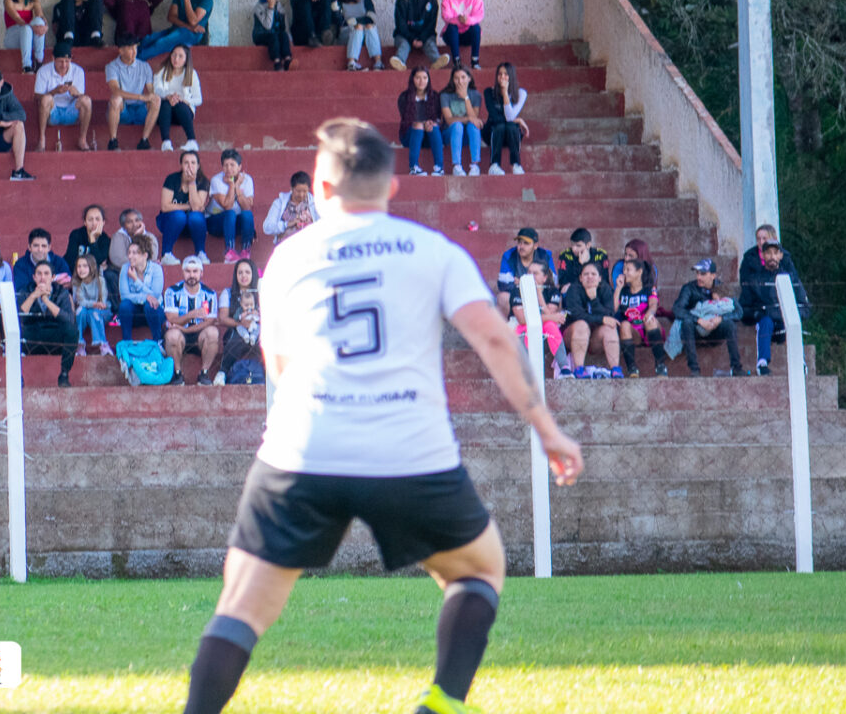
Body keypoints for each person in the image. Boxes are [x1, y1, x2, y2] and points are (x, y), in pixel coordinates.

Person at [175, 117, 583, 714]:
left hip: (303, 451)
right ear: (391, 190)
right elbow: (495, 341)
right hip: (410, 453)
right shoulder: (432, 251)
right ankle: (442, 702)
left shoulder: (285, 259)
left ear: (318, 190)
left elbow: (279, 366)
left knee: (240, 607)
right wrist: (546, 429)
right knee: (480, 569)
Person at [739, 237, 810, 376]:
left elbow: (805, 306)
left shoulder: (791, 278)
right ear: (763, 255)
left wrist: (795, 314)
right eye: (768, 253)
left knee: (793, 323)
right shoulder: (755, 279)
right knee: (765, 322)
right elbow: (744, 307)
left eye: (775, 253)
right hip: (766, 322)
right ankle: (763, 363)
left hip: (785, 321)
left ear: (781, 255)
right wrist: (757, 314)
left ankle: (800, 363)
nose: (772, 256)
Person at [672, 258, 747, 378]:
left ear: (713, 275)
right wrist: (699, 320)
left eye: (703, 274)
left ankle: (736, 368)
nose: (699, 277)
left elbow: (739, 312)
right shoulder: (689, 288)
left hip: (716, 329)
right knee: (686, 322)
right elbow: (677, 309)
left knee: (730, 325)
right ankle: (694, 370)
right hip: (696, 329)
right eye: (697, 273)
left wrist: (721, 319)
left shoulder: (722, 288)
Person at [17, 258, 79, 387]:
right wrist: (34, 296)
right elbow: (19, 318)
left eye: (46, 274)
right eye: (39, 274)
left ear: (53, 277)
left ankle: (64, 374)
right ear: (34, 277)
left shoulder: (61, 292)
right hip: (32, 335)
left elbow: (68, 319)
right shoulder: (26, 290)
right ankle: (18, 378)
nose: (42, 277)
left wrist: (46, 301)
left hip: (54, 335)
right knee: (14, 333)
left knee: (72, 331)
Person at [614, 239, 671, 376]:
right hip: (634, 331)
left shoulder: (648, 289)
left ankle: (660, 365)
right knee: (625, 325)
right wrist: (618, 288)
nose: (624, 273)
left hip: (649, 328)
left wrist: (650, 313)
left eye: (628, 270)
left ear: (639, 272)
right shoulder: (623, 291)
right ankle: (632, 368)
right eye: (624, 270)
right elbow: (614, 309)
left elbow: (653, 304)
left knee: (650, 321)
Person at [163, 256, 222, 385]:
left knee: (213, 333)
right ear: (182, 273)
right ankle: (177, 374)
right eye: (188, 271)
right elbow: (172, 318)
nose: (191, 275)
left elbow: (209, 321)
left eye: (195, 271)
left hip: (198, 334)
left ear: (201, 273)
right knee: (172, 335)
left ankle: (204, 373)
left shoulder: (210, 294)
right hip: (179, 335)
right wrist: (192, 314)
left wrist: (185, 328)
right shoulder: (172, 292)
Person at [139, 0, 213, 62]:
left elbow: (193, 21)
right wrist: (187, 26)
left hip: (192, 34)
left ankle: (133, 61)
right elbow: (171, 17)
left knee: (161, 43)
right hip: (176, 29)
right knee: (147, 40)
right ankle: (127, 58)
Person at [561, 260, 622, 376]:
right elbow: (576, 315)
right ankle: (579, 369)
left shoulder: (605, 289)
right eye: (586, 274)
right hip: (573, 337)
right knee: (581, 325)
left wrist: (594, 300)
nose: (590, 277)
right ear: (580, 278)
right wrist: (601, 319)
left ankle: (615, 369)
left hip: (595, 340)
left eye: (593, 274)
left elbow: (609, 315)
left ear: (599, 278)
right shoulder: (573, 290)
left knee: (610, 327)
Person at [157, 148, 212, 265]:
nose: (189, 166)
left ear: (198, 166)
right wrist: (188, 206)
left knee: (196, 216)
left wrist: (192, 183)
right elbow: (165, 207)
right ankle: (166, 254)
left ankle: (200, 253)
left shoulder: (203, 181)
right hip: (170, 222)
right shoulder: (172, 179)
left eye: (193, 163)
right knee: (179, 215)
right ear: (181, 165)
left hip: (193, 225)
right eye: (186, 163)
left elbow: (197, 208)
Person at [103, 37, 160, 150]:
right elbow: (115, 90)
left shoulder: (144, 66)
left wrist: (151, 96)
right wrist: (140, 96)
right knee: (116, 99)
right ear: (121, 51)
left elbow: (151, 89)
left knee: (156, 99)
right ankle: (113, 141)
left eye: (135, 48)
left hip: (140, 110)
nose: (134, 52)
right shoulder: (112, 66)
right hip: (124, 109)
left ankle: (144, 140)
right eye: (130, 49)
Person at [34, 48, 93, 150]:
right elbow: (37, 96)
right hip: (53, 112)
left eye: (67, 61)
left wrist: (76, 93)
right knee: (46, 99)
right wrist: (54, 91)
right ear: (53, 59)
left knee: (86, 100)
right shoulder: (43, 71)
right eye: (61, 61)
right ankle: (42, 139)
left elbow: (82, 97)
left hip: (71, 111)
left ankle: (82, 139)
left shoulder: (78, 71)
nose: (64, 65)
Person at [216, 259, 264, 385]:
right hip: (237, 330)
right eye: (240, 272)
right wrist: (240, 324)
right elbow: (223, 318)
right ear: (235, 275)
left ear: (253, 274)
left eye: (247, 272)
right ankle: (222, 372)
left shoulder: (260, 292)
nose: (244, 276)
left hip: (257, 329)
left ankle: (269, 374)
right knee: (235, 337)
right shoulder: (228, 293)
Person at [390, 0, 447, 72]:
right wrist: (412, 39)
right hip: (405, 35)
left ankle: (437, 61)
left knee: (430, 44)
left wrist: (422, 39)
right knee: (404, 45)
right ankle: (399, 61)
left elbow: (431, 23)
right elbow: (400, 23)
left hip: (425, 35)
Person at [152, 45, 203, 151]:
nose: (176, 59)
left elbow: (199, 99)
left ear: (186, 59)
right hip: (164, 115)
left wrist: (183, 100)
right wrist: (168, 96)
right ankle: (166, 142)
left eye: (180, 56)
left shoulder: (191, 74)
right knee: (166, 104)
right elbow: (157, 89)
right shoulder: (162, 71)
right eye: (174, 55)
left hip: (183, 113)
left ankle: (192, 141)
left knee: (180, 105)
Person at [398, 66, 447, 177]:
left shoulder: (434, 96)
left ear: (428, 79)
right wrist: (423, 123)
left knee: (433, 125)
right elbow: (406, 121)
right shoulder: (404, 97)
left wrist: (431, 123)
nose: (421, 81)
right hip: (410, 136)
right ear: (412, 79)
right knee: (418, 125)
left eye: (425, 78)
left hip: (430, 136)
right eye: (418, 78)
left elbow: (439, 119)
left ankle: (439, 167)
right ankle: (413, 167)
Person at [494, 228, 556, 315]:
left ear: (535, 245)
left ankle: (549, 325)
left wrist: (522, 282)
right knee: (502, 297)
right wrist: (532, 283)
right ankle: (506, 327)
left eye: (526, 243)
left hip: (541, 294)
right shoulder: (508, 255)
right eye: (519, 242)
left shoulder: (545, 255)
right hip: (517, 296)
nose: (521, 246)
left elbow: (553, 282)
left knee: (556, 298)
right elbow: (503, 284)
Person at [116, 234, 165, 342]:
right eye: (129, 252)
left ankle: (158, 341)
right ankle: (127, 342)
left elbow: (155, 296)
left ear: (145, 255)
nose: (130, 256)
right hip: (134, 313)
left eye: (134, 253)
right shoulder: (125, 268)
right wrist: (145, 296)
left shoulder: (156, 269)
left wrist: (136, 280)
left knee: (150, 305)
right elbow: (124, 295)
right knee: (125, 305)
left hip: (154, 312)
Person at [210, 148, 256, 263]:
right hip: (216, 222)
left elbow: (247, 207)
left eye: (232, 165)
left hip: (235, 223)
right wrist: (231, 185)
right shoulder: (216, 180)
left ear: (240, 167)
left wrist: (237, 188)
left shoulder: (247, 180)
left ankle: (246, 251)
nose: (229, 168)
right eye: (225, 165)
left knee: (247, 214)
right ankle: (229, 251)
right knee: (230, 213)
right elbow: (227, 206)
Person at [482, 61, 528, 176]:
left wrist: (505, 93)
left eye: (506, 74)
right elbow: (494, 117)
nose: (502, 77)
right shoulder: (489, 92)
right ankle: (494, 165)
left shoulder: (521, 93)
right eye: (500, 74)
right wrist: (518, 120)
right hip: (493, 132)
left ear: (511, 76)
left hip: (510, 135)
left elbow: (510, 117)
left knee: (511, 126)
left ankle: (516, 164)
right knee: (502, 125)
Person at [439, 65, 485, 177]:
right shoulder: (445, 95)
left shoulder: (475, 95)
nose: (460, 81)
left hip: (467, 136)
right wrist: (467, 118)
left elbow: (474, 118)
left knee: (473, 126)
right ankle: (457, 166)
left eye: (463, 77)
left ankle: (475, 165)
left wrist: (466, 97)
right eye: (456, 78)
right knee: (457, 125)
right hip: (450, 135)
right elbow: (449, 120)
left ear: (469, 78)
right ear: (452, 80)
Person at [333, 0, 383, 72]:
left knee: (369, 26)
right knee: (359, 27)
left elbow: (371, 18)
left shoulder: (365, 0)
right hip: (347, 34)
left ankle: (378, 62)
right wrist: (334, 1)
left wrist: (353, 21)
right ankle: (351, 63)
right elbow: (340, 23)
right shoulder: (338, 2)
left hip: (366, 35)